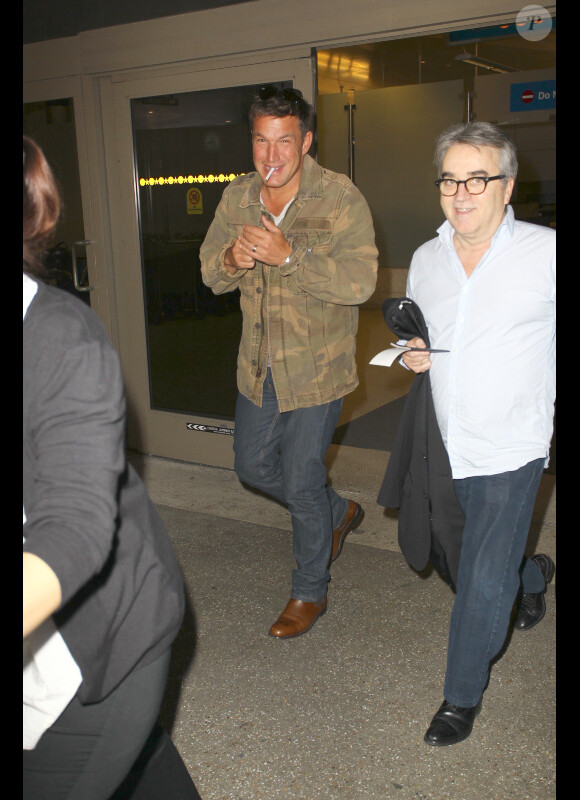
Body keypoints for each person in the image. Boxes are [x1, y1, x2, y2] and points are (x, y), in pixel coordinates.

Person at [23, 135, 202, 799]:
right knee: (140, 760)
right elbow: (217, 268)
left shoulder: (62, 340)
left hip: (99, 637)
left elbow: (72, 529)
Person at [395, 122, 555, 746]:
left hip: (512, 444)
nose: (462, 193)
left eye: (478, 178)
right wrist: (414, 352)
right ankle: (535, 576)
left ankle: (459, 698)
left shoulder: (542, 253)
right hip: (444, 439)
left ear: (506, 186)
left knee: (483, 584)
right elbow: (419, 336)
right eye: (450, 179)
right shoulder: (427, 259)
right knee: (468, 564)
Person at [200, 86, 378, 638]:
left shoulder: (341, 198)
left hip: (318, 370)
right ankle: (336, 513)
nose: (271, 156)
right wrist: (231, 256)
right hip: (259, 365)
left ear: (305, 140)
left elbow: (361, 282)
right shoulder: (237, 199)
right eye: (260, 141)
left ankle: (309, 591)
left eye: (283, 141)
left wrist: (290, 256)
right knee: (252, 467)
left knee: (300, 478)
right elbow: (210, 272)